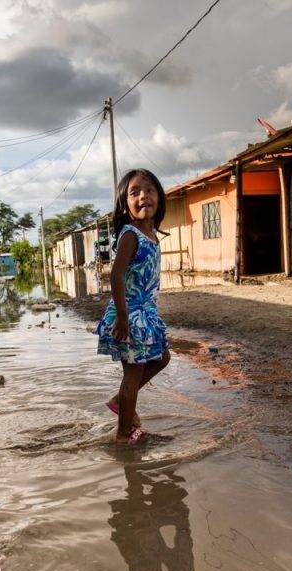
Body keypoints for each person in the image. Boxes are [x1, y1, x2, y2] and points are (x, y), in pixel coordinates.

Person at [97, 168, 171, 445]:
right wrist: (124, 317)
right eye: (135, 192)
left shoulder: (150, 234)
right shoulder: (130, 234)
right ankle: (123, 435)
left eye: (150, 190)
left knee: (161, 358)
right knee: (133, 372)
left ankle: (120, 403)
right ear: (124, 204)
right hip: (131, 314)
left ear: (160, 199)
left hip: (145, 313)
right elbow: (116, 275)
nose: (143, 196)